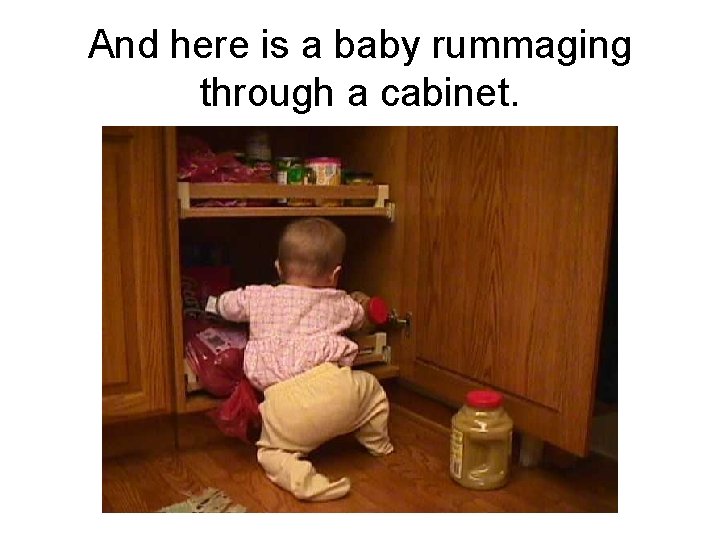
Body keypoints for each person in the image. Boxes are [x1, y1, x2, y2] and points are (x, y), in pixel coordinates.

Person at [207, 217, 393, 501]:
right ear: (335, 275)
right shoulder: (340, 302)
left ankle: (302, 479)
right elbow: (361, 318)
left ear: (278, 269)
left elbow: (230, 305)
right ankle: (378, 445)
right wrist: (366, 307)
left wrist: (212, 303)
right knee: (374, 393)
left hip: (282, 407)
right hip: (340, 391)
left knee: (269, 451)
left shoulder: (259, 296)